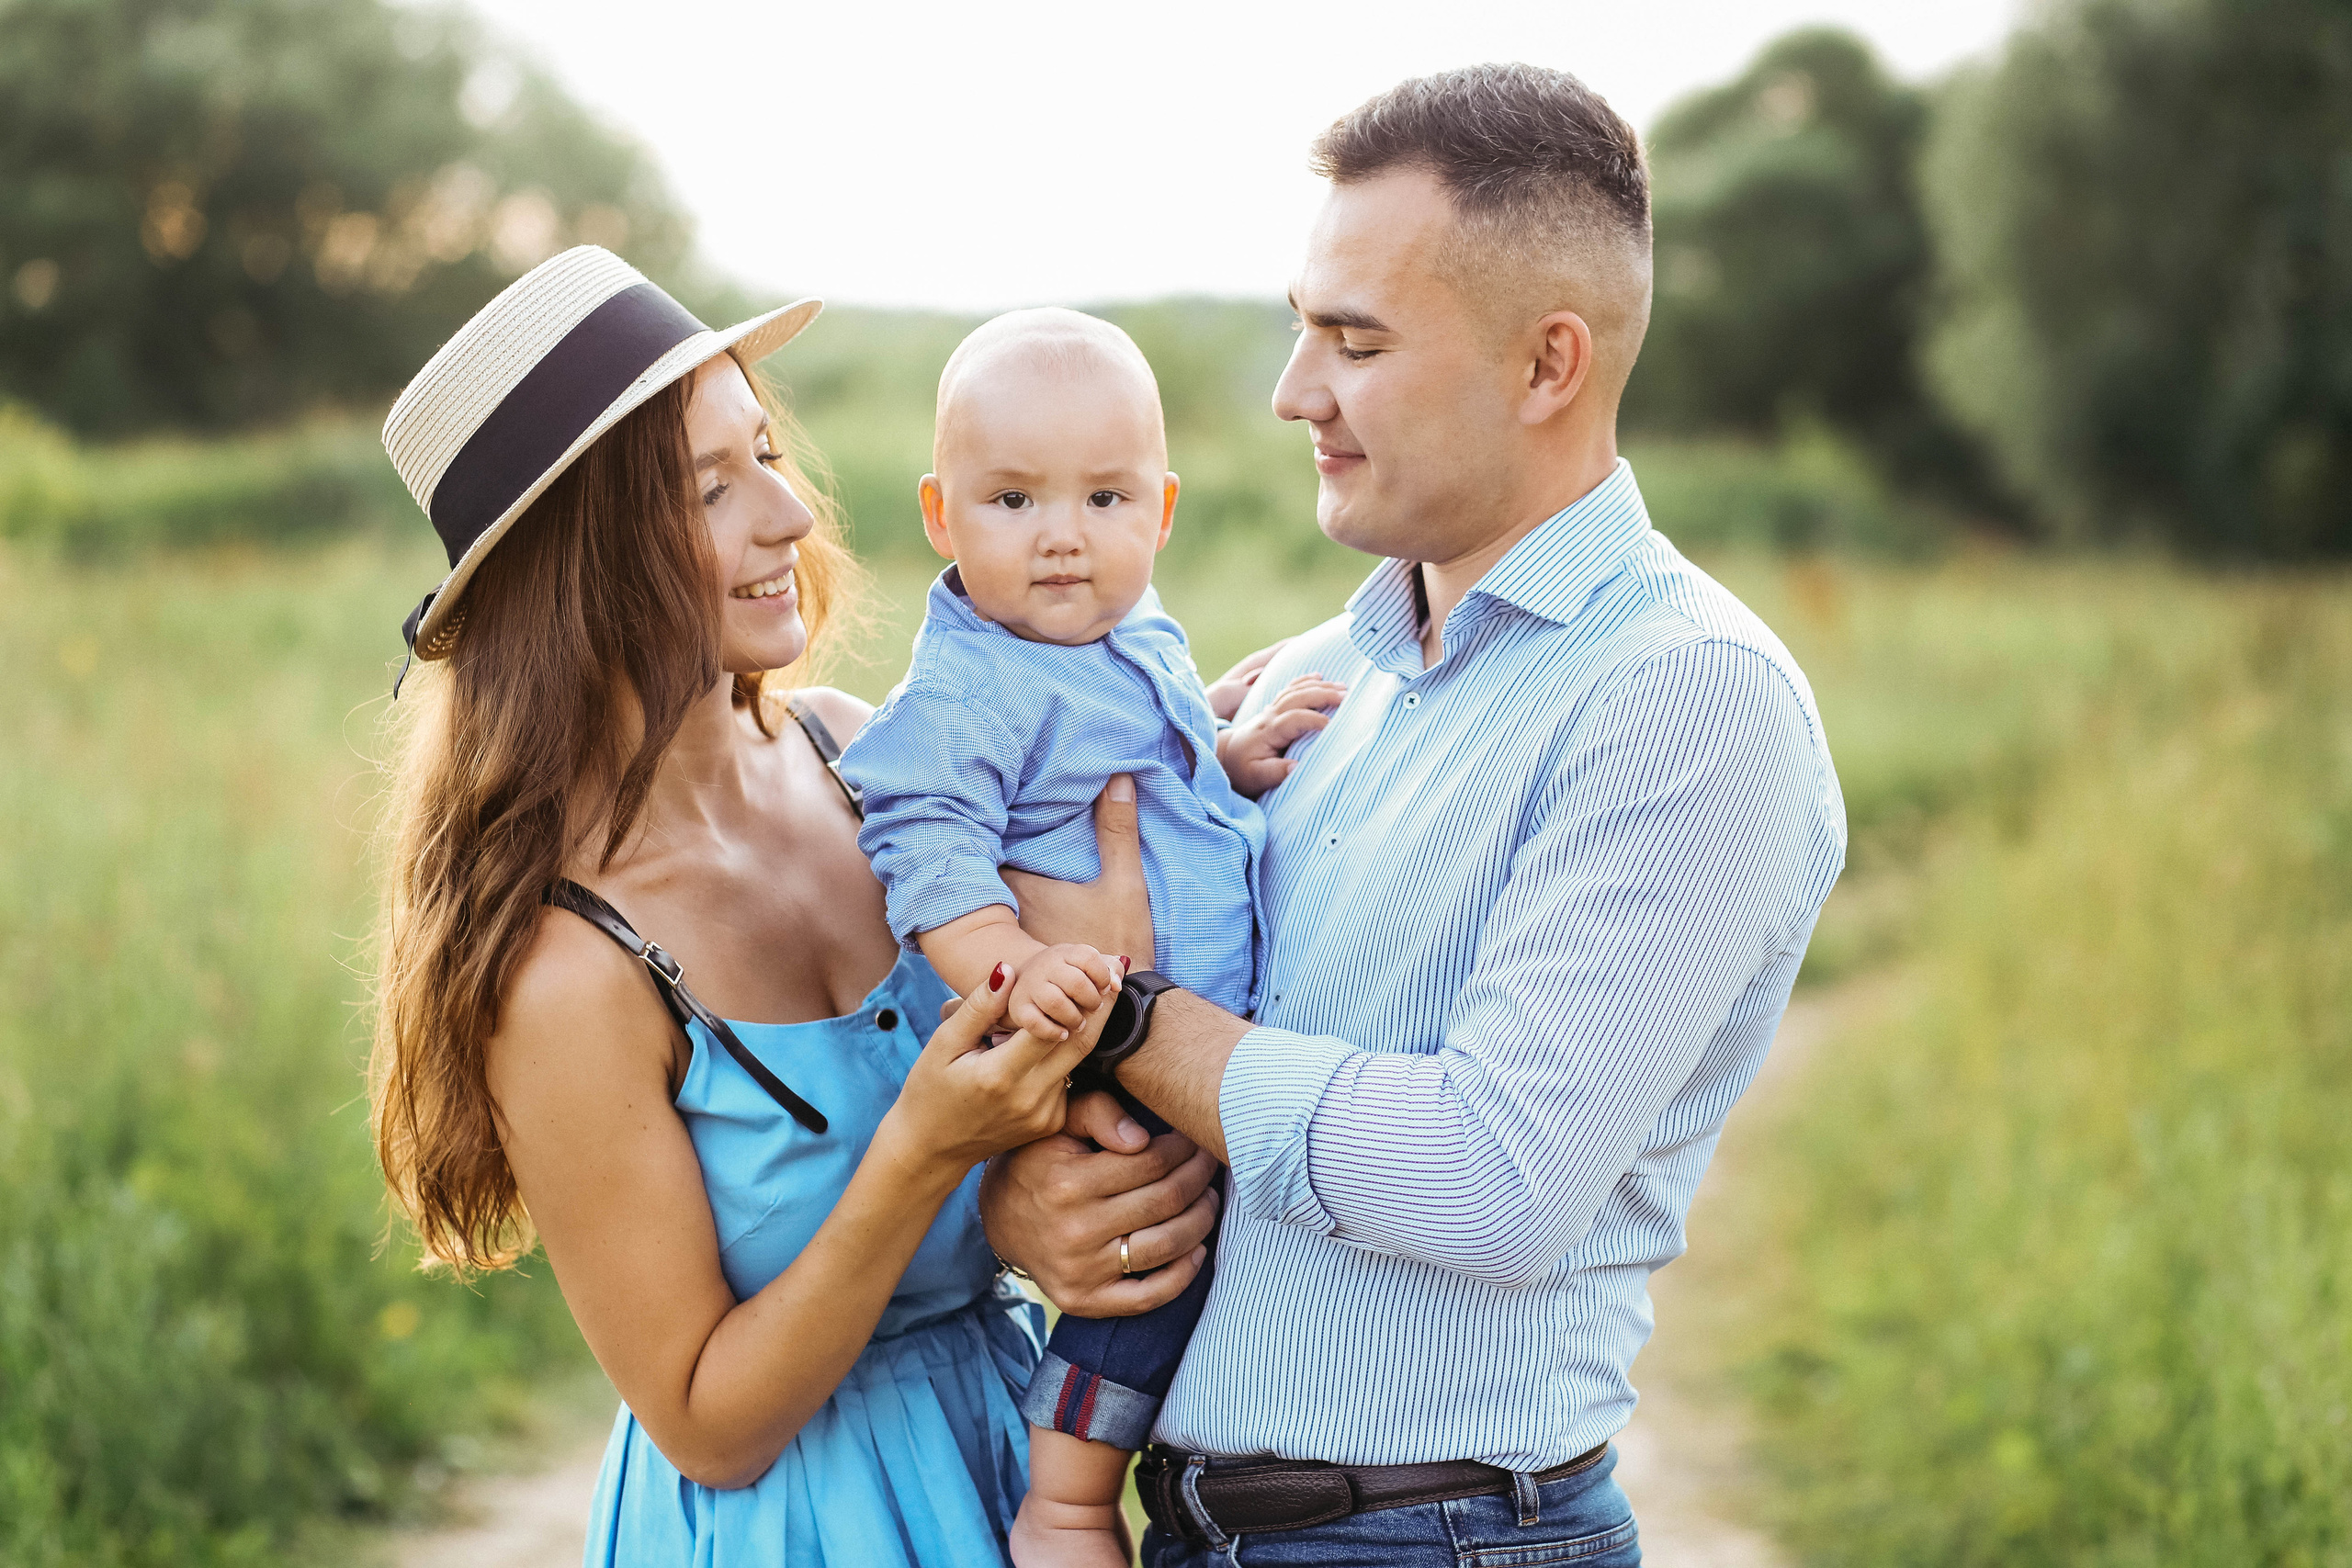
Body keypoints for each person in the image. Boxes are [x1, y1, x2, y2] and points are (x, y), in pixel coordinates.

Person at [978, 64, 1849, 1564]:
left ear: (1547, 364)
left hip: (1434, 1537)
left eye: (1356, 342)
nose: (1293, 391)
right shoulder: (1316, 680)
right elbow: (1167, 1121)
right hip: (1181, 1526)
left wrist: (1121, 1013)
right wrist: (1028, 1205)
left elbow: (1490, 1177)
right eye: (1304, 328)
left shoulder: (1688, 699)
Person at [367, 246, 1216, 1566]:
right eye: (714, 489)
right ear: (580, 565)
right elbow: (708, 1421)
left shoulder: (855, 760)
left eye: (764, 452)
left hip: (1005, 1464)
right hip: (797, 1525)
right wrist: (929, 1151)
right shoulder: (569, 966)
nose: (790, 516)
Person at [838, 308, 1339, 1566]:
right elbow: (928, 859)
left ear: (1160, 511)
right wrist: (1022, 964)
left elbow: (1143, 779)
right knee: (1140, 1258)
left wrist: (1221, 761)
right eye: (1011, 499)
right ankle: (1064, 1501)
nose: (1063, 534)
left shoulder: (1134, 630)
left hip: (1187, 1035)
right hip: (1089, 1045)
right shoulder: (968, 690)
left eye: (1105, 498)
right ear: (941, 517)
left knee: (1196, 1251)